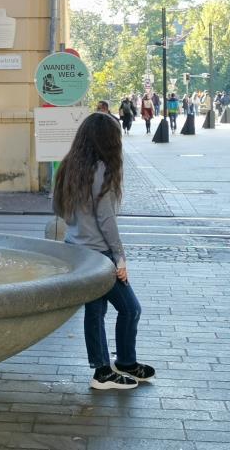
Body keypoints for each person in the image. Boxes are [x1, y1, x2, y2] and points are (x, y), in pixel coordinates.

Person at [53, 112, 155, 390]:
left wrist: (80, 227)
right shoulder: (102, 170)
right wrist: (120, 258)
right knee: (130, 309)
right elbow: (106, 220)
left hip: (78, 251)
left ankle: (106, 369)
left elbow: (58, 208)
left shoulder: (69, 166)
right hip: (100, 255)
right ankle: (120, 364)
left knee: (96, 312)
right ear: (108, 141)